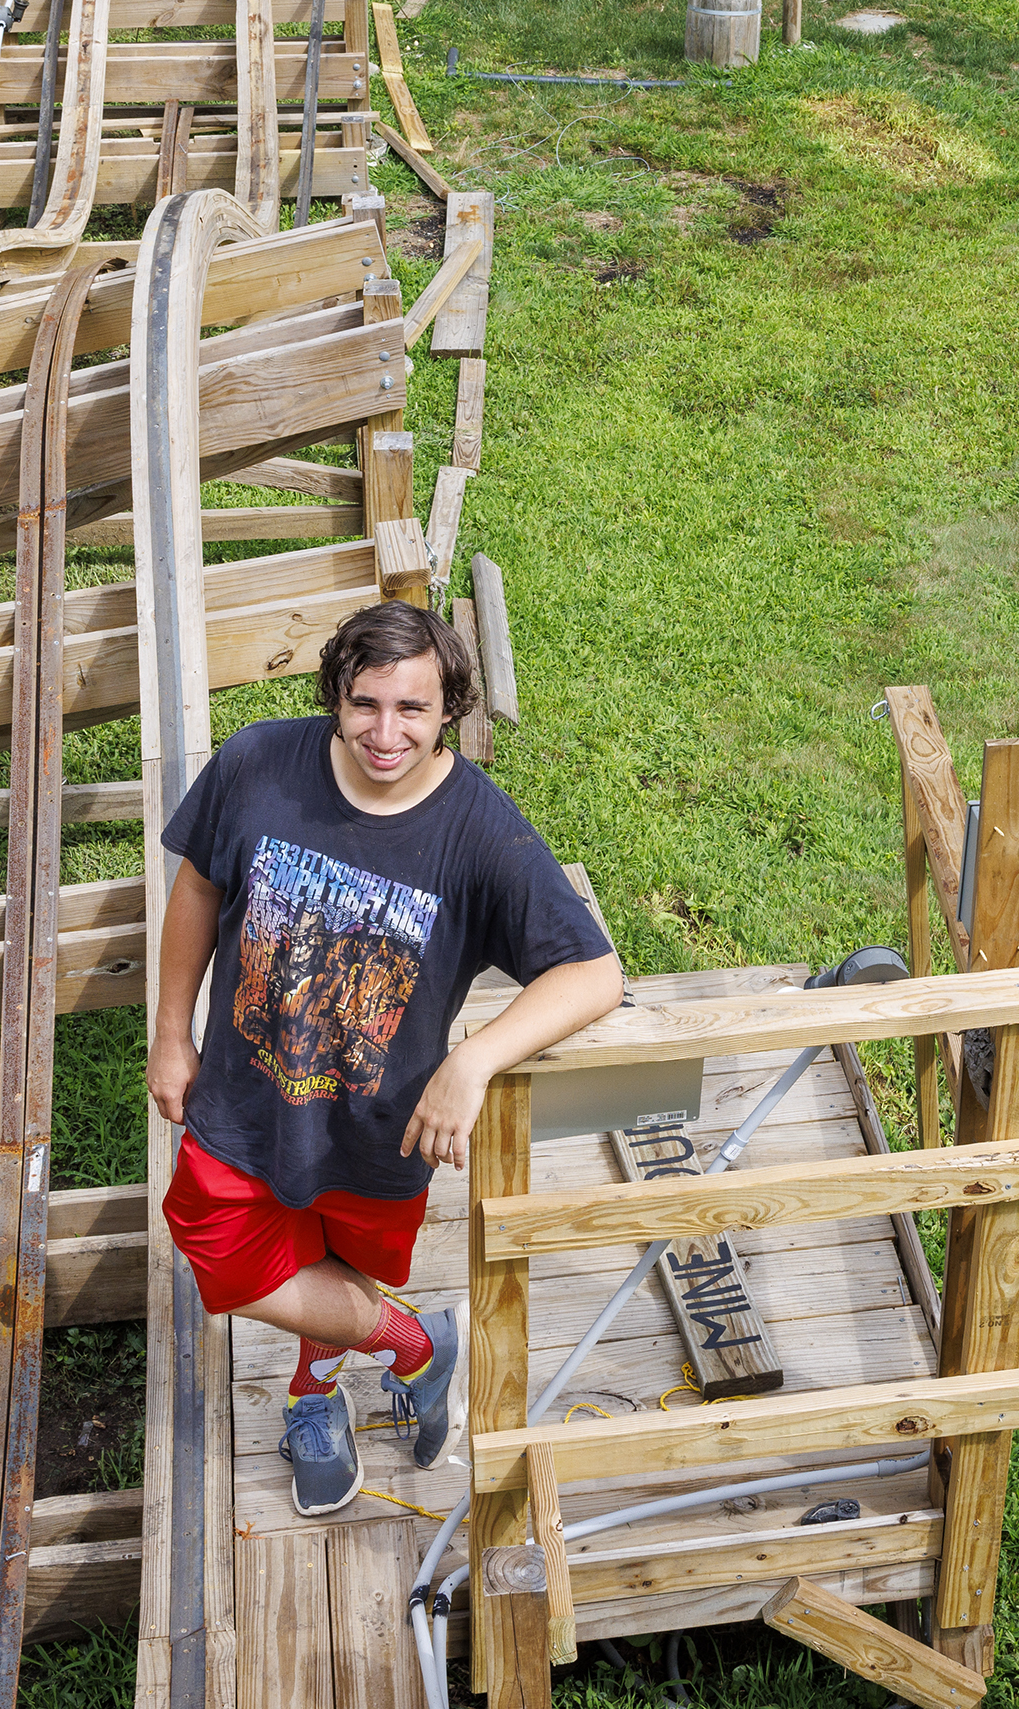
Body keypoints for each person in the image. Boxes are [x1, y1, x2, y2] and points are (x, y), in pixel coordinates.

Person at [146, 600, 623, 1517]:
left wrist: (475, 1059)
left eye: (413, 708)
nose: (386, 731)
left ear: (450, 709)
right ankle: (416, 1344)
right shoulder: (257, 763)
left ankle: (311, 1399)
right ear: (336, 690)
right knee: (226, 1254)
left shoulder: (479, 829)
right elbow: (199, 885)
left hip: (379, 1127)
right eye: (366, 703)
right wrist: (172, 1033)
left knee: (332, 1262)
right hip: (244, 1102)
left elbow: (593, 971)